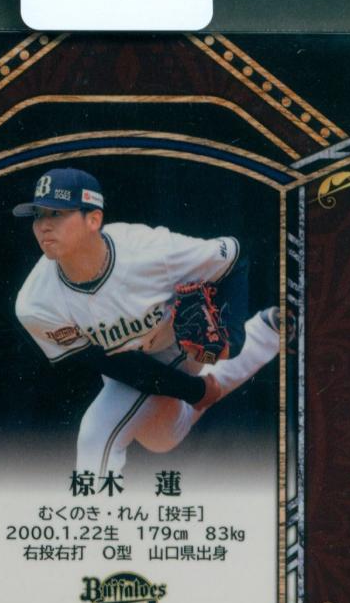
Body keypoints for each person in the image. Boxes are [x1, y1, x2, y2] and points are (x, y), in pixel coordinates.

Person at [14, 167, 280, 476]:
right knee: (162, 438)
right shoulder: (35, 302)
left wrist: (233, 341)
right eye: (38, 215)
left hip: (175, 346)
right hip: (124, 364)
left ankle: (93, 509)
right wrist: (194, 391)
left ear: (94, 219)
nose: (43, 225)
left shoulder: (151, 251)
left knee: (97, 434)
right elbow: (112, 364)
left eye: (57, 213)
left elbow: (234, 256)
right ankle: (268, 331)